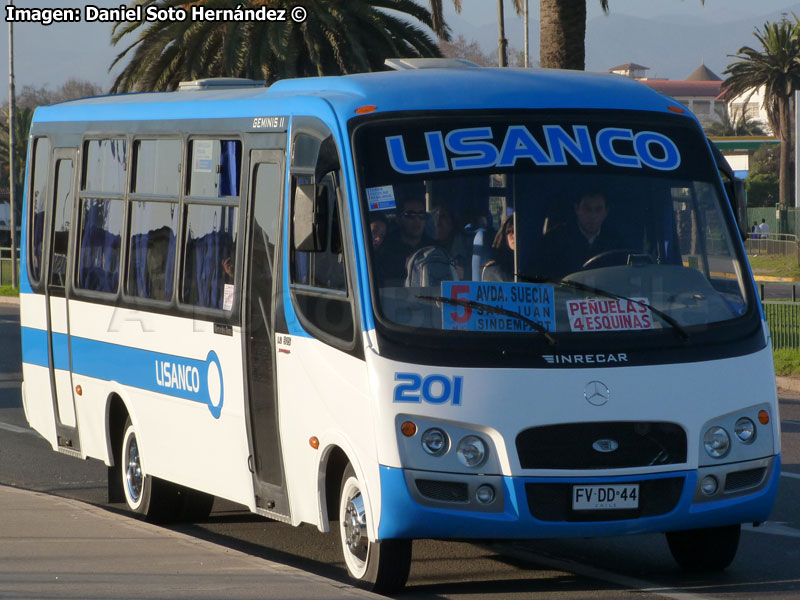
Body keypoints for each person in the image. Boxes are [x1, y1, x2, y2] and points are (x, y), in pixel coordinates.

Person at [539, 191, 624, 279]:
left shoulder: (615, 242)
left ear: (606, 212)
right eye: (587, 209)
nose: (592, 216)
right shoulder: (554, 240)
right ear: (577, 209)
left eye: (598, 209)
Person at [376, 194, 435, 285]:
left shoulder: (434, 248)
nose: (417, 220)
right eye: (410, 215)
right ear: (398, 219)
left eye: (421, 215)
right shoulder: (384, 247)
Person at [481, 215, 515, 282]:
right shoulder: (493, 269)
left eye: (514, 231)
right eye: (508, 232)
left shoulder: (535, 265)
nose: (512, 236)